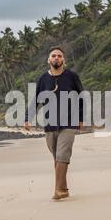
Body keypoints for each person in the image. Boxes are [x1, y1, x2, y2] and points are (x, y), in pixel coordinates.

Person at [24, 46, 84, 200]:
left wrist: (81, 118)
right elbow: (35, 99)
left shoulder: (71, 76)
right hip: (50, 124)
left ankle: (57, 191)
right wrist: (27, 117)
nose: (56, 58)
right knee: (57, 159)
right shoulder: (43, 79)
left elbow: (82, 97)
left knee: (62, 155)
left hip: (69, 123)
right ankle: (64, 189)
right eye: (53, 56)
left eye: (59, 56)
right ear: (48, 60)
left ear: (63, 60)